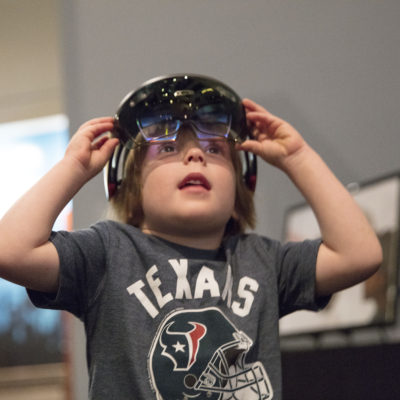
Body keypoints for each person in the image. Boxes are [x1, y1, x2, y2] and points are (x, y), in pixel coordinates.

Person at [0, 74, 382, 400]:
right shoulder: (107, 253)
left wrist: (297, 157)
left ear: (240, 191)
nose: (195, 156)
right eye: (167, 148)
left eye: (215, 149)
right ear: (129, 188)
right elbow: (11, 250)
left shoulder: (264, 260)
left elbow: (359, 254)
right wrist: (74, 167)